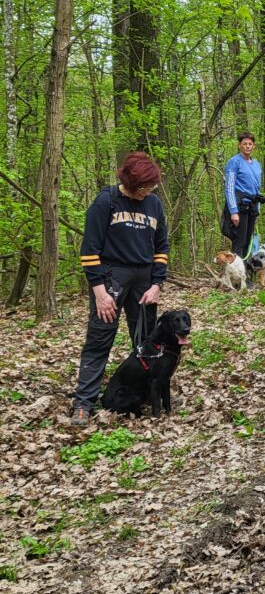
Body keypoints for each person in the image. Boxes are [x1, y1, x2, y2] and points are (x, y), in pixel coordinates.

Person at [71, 152, 168, 426]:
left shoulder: (154, 205)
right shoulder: (106, 201)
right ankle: (83, 402)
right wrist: (100, 292)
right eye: (145, 186)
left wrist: (157, 284)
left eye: (152, 186)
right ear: (131, 183)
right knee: (99, 339)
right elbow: (89, 251)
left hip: (144, 281)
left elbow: (161, 247)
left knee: (147, 342)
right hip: (111, 277)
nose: (149, 191)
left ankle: (149, 394)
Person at [220, 132, 264, 271]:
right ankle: (236, 274)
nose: (247, 146)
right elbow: (229, 188)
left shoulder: (256, 164)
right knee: (239, 242)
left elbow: (257, 189)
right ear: (239, 145)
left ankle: (245, 275)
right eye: (245, 144)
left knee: (248, 242)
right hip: (239, 206)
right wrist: (233, 211)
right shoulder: (234, 162)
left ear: (254, 146)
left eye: (250, 144)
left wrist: (257, 210)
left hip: (252, 206)